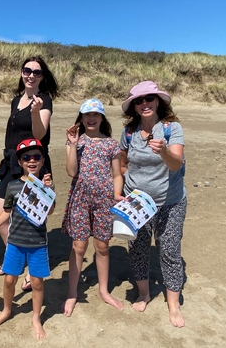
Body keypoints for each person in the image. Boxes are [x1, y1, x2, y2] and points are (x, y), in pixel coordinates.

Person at [119, 81, 186, 328]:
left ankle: (173, 303)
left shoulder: (171, 129)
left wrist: (164, 151)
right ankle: (144, 293)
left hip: (170, 201)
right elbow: (123, 165)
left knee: (168, 250)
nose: (144, 103)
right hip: (137, 203)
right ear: (134, 107)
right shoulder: (128, 132)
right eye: (139, 100)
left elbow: (176, 164)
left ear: (158, 101)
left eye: (149, 98)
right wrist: (123, 193)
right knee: (137, 247)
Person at [0, 56, 59, 290]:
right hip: (12, 163)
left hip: (33, 162)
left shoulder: (44, 100)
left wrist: (35, 112)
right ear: (21, 72)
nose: (31, 75)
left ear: (42, 77)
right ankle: (14, 262)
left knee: (32, 216)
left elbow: (39, 135)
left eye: (37, 72)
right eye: (27, 70)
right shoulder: (15, 100)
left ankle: (30, 269)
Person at [0, 139, 55, 340]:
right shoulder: (12, 186)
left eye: (36, 157)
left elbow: (50, 211)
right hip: (15, 242)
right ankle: (6, 310)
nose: (32, 160)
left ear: (42, 160)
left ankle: (36, 317)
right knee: (9, 279)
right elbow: (6, 213)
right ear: (20, 162)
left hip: (38, 243)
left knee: (38, 282)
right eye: (26, 157)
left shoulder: (46, 185)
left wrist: (47, 190)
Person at [60, 99, 125, 316]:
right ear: (81, 118)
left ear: (102, 118)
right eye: (87, 115)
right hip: (80, 198)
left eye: (96, 115)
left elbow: (117, 174)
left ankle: (104, 291)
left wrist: (117, 195)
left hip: (104, 200)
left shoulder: (111, 144)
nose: (91, 118)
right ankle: (72, 292)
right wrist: (71, 144)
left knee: (102, 246)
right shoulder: (75, 142)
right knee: (78, 247)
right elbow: (71, 172)